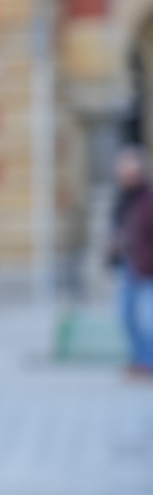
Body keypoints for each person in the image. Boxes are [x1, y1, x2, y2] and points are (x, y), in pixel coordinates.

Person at [111, 144, 153, 378]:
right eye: (123, 165)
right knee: (125, 316)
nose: (126, 170)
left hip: (147, 267)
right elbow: (119, 229)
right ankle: (139, 360)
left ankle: (148, 362)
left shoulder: (147, 198)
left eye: (131, 164)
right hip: (129, 265)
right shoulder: (121, 197)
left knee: (148, 320)